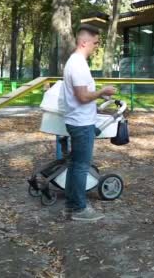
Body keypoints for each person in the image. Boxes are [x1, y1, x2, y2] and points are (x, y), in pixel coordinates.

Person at [61, 24, 116, 221]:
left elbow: (83, 96)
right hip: (81, 124)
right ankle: (78, 209)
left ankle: (71, 205)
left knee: (76, 165)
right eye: (94, 42)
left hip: (79, 121)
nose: (96, 47)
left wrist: (98, 101)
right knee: (80, 167)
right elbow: (83, 97)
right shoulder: (77, 64)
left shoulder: (76, 63)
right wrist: (103, 91)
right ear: (84, 42)